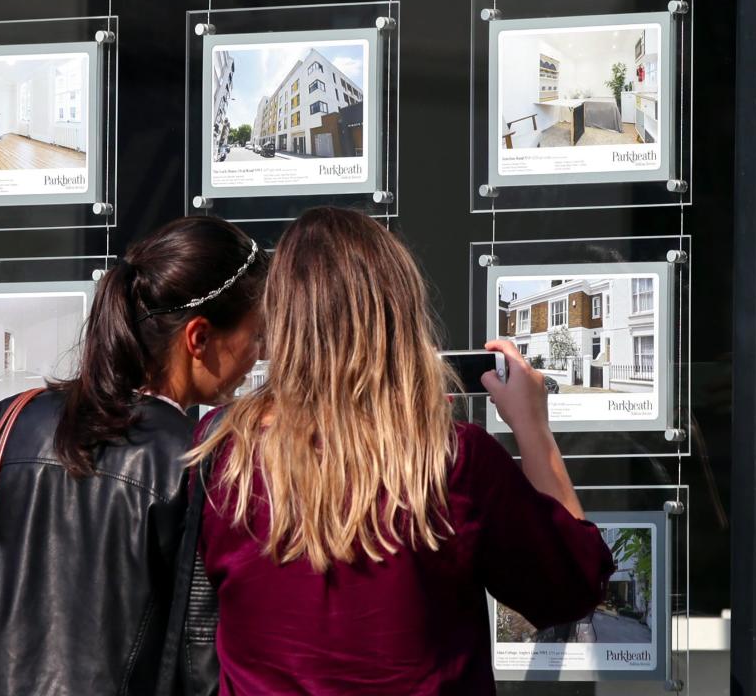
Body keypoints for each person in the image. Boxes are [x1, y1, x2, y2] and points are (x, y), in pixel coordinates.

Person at [189, 207, 615, 695]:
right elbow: (574, 586)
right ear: (399, 314)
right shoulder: (452, 460)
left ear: (281, 320)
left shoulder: (223, 454)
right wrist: (533, 428)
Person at [0, 216, 269, 695]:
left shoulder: (7, 422)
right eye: (256, 335)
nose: (259, 352)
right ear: (199, 338)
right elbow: (198, 658)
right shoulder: (194, 459)